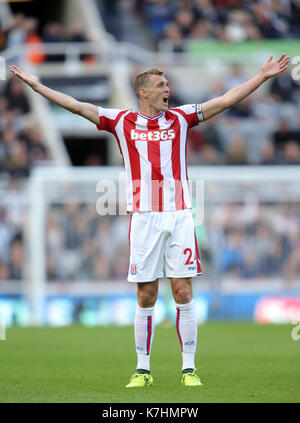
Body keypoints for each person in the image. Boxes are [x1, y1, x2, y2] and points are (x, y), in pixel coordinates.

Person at [9, 53, 289, 387]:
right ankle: (143, 370)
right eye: (160, 85)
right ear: (144, 93)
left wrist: (261, 77)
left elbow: (226, 100)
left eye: (167, 83)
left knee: (183, 291)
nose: (167, 88)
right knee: (146, 296)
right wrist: (38, 87)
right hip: (144, 220)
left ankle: (189, 369)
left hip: (180, 215)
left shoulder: (182, 118)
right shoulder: (122, 121)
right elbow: (76, 105)